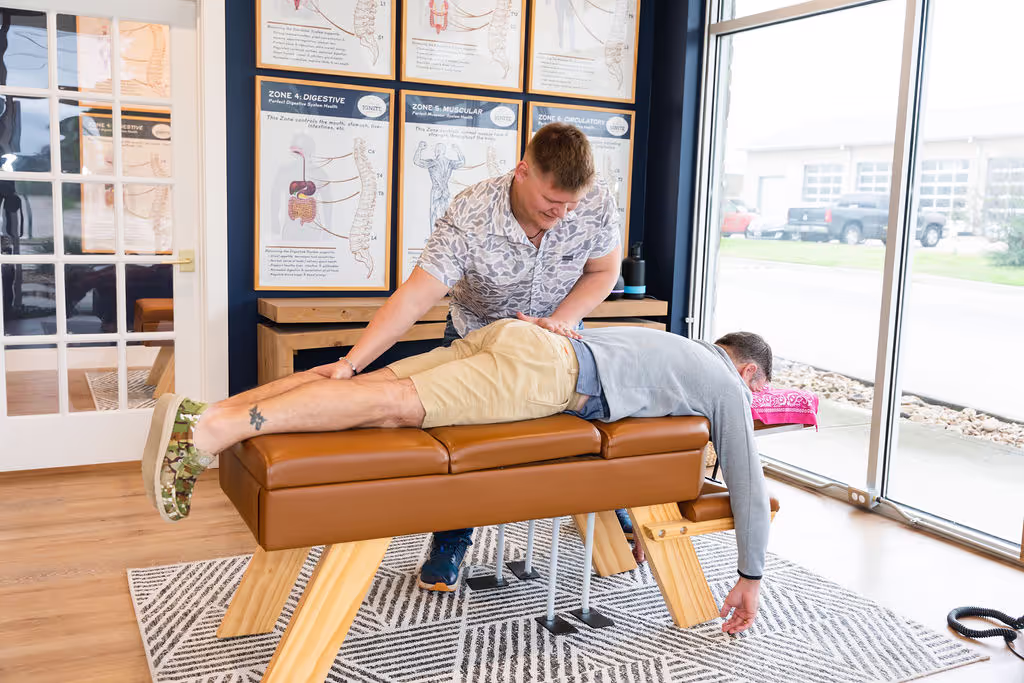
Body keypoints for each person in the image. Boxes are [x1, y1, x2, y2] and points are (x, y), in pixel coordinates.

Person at [141, 322, 773, 635]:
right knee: (390, 408)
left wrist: (628, 516)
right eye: (758, 391)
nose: (753, 402)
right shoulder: (724, 385)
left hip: (516, 336)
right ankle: (210, 436)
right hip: (545, 379)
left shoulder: (675, 342)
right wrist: (749, 576)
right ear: (745, 372)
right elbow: (746, 479)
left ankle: (212, 412)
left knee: (368, 384)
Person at [317, 122, 623, 593]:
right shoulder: (471, 212)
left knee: (578, 424)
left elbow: (603, 271)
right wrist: (352, 364)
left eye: (571, 206)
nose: (560, 216)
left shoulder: (596, 201)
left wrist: (560, 321)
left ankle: (616, 503)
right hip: (476, 336)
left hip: (556, 341)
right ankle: (452, 539)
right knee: (463, 440)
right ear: (523, 172)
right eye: (550, 204)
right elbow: (415, 297)